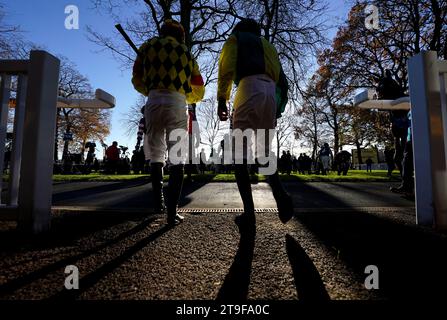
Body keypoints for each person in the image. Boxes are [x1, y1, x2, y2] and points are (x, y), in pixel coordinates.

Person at [217, 18, 293, 233]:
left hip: (247, 88)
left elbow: (226, 68)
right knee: (263, 151)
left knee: (240, 154)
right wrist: (277, 108)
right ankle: (280, 194)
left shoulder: (236, 39)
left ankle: (249, 214)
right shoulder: (269, 46)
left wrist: (222, 99)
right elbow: (283, 82)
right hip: (270, 94)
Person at [132, 19, 205, 225]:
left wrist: (149, 90)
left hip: (153, 102)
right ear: (180, 35)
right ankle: (172, 213)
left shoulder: (147, 47)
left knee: (156, 154)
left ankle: (158, 203)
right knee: (177, 157)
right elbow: (199, 88)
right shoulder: (187, 54)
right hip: (177, 103)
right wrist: (185, 96)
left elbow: (136, 76)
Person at [376, 69, 408, 175]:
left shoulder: (387, 82)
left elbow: (381, 90)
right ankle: (402, 166)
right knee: (400, 142)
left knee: (400, 144)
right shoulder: (393, 83)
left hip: (399, 116)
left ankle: (401, 160)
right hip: (399, 115)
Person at [390, 111, 413, 195]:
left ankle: (407, 186)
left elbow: (401, 123)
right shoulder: (409, 113)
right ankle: (407, 186)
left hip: (413, 141)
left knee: (406, 163)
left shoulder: (411, 111)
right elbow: (401, 123)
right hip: (410, 141)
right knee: (405, 163)